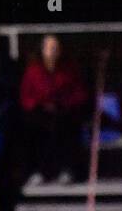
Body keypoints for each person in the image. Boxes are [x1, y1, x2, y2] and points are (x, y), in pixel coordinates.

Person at [18, 34, 88, 183]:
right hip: (39, 113)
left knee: (67, 128)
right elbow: (26, 96)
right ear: (42, 50)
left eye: (55, 47)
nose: (53, 50)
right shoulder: (33, 70)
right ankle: (38, 171)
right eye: (49, 47)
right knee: (31, 130)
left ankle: (66, 170)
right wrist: (39, 104)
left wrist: (62, 103)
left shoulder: (69, 69)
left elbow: (79, 93)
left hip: (63, 112)